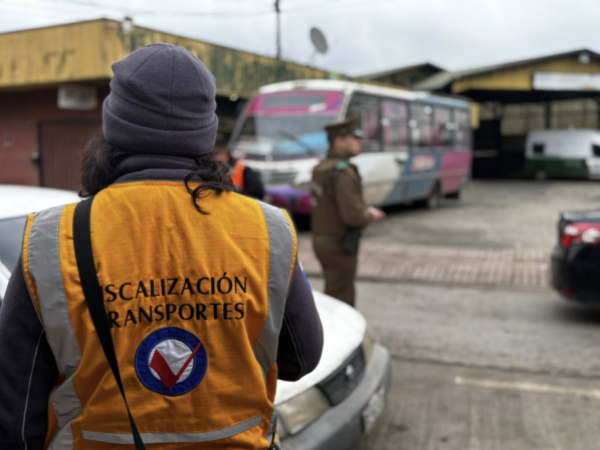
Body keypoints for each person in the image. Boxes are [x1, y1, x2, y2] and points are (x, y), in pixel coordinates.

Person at [0, 44, 323, 450]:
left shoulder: (51, 238)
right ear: (205, 132)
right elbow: (300, 359)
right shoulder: (268, 228)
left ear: (113, 128)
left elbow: (15, 415)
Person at [310, 116, 386, 306]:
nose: (360, 141)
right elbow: (352, 215)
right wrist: (370, 215)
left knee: (334, 292)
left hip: (323, 239)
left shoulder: (323, 167)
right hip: (339, 242)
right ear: (339, 141)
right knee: (341, 300)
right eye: (355, 137)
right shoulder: (342, 171)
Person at [212, 134, 265, 199]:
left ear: (225, 153)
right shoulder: (208, 171)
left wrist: (236, 197)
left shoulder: (243, 170)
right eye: (209, 155)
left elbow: (258, 192)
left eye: (214, 154)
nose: (212, 158)